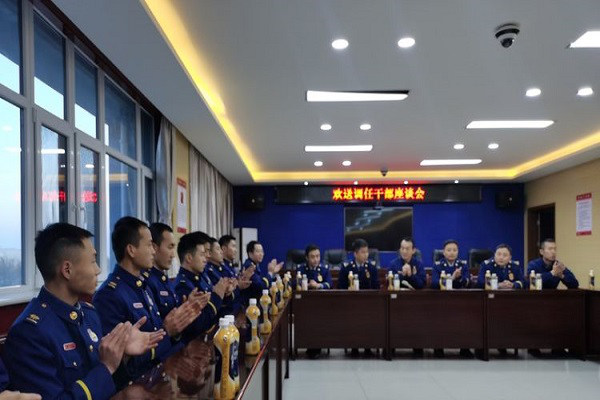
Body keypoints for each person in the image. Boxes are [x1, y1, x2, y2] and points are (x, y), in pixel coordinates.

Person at [4, 223, 164, 399]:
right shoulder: (30, 333)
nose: (98, 270)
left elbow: (109, 385)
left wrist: (122, 355)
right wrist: (106, 367)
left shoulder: (89, 314)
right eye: (93, 261)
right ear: (67, 270)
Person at [94, 217, 202, 380]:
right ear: (131, 250)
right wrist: (167, 332)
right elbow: (120, 366)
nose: (153, 251)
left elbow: (159, 335)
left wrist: (175, 331)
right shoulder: (109, 296)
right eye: (149, 245)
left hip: (159, 374)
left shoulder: (142, 286)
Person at [173, 232, 228, 336]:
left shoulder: (199, 278)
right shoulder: (183, 286)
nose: (205, 259)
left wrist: (226, 294)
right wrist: (217, 297)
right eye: (202, 255)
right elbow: (198, 326)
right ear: (189, 258)